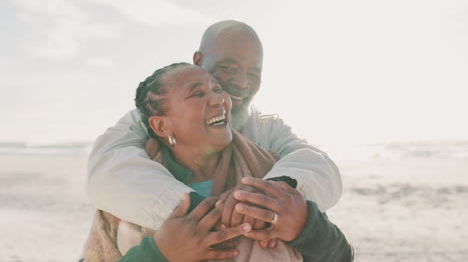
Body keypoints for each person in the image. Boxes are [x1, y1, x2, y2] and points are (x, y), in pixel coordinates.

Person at [86, 20, 342, 238]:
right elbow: (106, 172)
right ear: (198, 61)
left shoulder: (265, 127)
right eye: (228, 68)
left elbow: (318, 166)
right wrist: (204, 217)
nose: (241, 83)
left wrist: (269, 194)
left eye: (253, 73)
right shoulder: (150, 116)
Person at [82, 63, 352, 262]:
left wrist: (306, 227)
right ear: (162, 125)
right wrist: (158, 254)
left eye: (217, 89)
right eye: (197, 94)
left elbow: (342, 256)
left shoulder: (272, 173)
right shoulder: (124, 191)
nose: (219, 99)